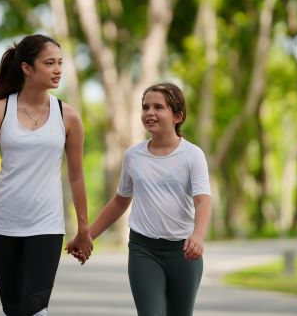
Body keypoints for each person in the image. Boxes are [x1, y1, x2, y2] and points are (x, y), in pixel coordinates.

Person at [0, 34, 93, 316]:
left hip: (46, 224)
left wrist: (84, 228)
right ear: (27, 67)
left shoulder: (68, 116)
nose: (58, 69)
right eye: (49, 63)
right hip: (2, 225)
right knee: (14, 309)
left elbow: (77, 176)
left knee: (35, 306)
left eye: (60, 63)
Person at [67, 81, 211, 316]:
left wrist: (198, 236)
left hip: (183, 251)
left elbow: (202, 201)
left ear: (177, 115)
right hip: (144, 249)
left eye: (158, 107)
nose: (149, 113)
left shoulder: (192, 156)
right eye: (145, 107)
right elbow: (120, 202)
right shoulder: (134, 156)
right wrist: (87, 235)